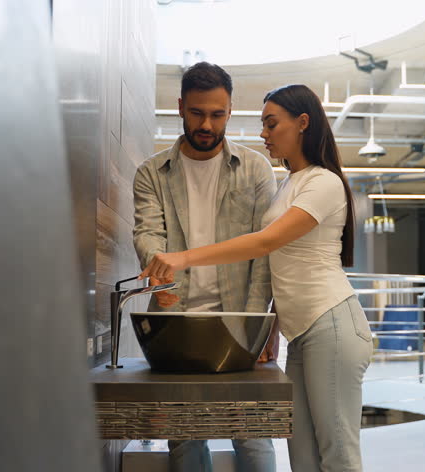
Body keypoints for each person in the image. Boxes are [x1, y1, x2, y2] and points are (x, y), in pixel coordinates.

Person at [141, 84, 374, 471]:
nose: (263, 134)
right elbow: (287, 265)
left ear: (302, 123)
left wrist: (182, 257)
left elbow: (266, 242)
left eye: (270, 123)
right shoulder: (290, 183)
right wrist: (273, 323)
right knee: (302, 456)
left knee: (338, 454)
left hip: (332, 325)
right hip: (301, 334)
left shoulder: (325, 182)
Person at [132, 62, 278, 472]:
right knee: (185, 440)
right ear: (180, 106)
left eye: (217, 114)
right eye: (197, 113)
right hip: (176, 322)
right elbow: (147, 233)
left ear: (230, 110)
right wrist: (156, 267)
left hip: (239, 320)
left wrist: (260, 324)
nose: (207, 124)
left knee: (251, 435)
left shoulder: (254, 169)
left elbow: (264, 254)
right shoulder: (151, 173)